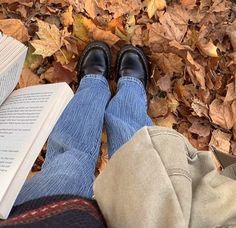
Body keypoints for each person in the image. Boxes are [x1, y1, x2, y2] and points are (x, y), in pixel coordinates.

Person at [1, 42, 236, 228]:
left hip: (37, 216)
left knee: (68, 161)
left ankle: (93, 84)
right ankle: (130, 87)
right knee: (139, 158)